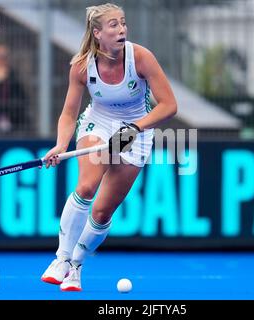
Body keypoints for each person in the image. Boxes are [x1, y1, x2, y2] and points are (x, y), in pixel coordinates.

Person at [40, 3, 177, 291]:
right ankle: (61, 259)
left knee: (102, 213)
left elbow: (169, 106)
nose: (122, 29)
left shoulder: (140, 58)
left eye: (123, 23)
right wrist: (60, 144)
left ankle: (76, 265)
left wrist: (135, 129)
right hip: (98, 124)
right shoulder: (81, 66)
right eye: (114, 25)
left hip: (137, 130)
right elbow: (68, 113)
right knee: (87, 186)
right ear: (97, 32)